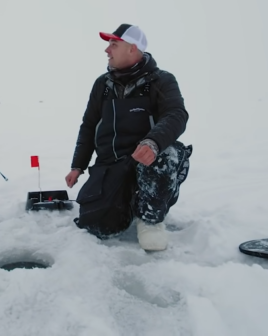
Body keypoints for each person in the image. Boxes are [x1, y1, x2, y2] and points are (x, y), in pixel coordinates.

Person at [65, 24, 192, 251]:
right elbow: (89, 125)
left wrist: (153, 142)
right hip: (111, 164)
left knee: (167, 154)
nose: (107, 50)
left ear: (132, 49)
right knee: (97, 226)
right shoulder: (102, 85)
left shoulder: (162, 81)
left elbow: (176, 114)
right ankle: (128, 203)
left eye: (113, 44)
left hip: (146, 160)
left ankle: (150, 220)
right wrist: (78, 165)